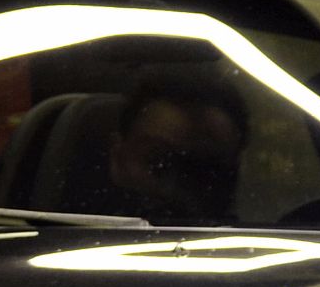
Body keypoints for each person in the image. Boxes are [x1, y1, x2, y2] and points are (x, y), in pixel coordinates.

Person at [104, 63, 247, 226]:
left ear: (234, 174)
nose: (175, 185)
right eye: (158, 162)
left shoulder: (254, 236)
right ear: (117, 157)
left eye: (206, 169)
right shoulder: (85, 233)